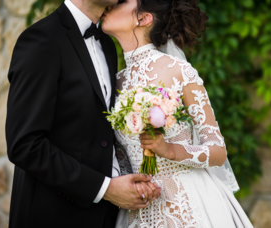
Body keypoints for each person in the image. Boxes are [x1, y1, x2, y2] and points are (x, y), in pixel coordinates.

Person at [5, 0, 160, 227]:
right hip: (52, 214)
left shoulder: (106, 44)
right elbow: (25, 145)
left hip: (105, 217)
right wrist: (104, 189)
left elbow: (99, 133)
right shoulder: (41, 39)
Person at [101, 0, 254, 227]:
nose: (110, 4)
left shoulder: (179, 71)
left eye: (123, 1)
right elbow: (121, 154)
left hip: (187, 207)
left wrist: (170, 150)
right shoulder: (114, 82)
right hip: (139, 210)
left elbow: (218, 151)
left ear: (143, 19)